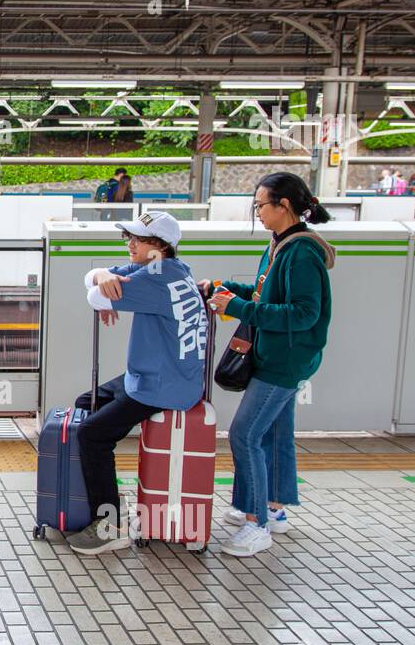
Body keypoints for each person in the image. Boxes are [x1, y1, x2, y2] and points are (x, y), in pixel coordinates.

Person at [202, 172, 335, 558]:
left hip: (283, 362)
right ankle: (273, 510)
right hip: (277, 355)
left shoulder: (302, 253)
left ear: (285, 206)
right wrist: (226, 290)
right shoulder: (280, 244)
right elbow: (264, 292)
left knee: (244, 435)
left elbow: (304, 313)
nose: (257, 211)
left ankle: (256, 524)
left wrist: (240, 308)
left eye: (261, 205)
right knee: (275, 435)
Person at [74, 212, 208, 555]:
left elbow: (94, 297)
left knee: (91, 433)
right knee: (86, 402)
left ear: (160, 246)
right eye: (128, 237)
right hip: (167, 376)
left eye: (138, 239)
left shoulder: (155, 280)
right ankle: (106, 498)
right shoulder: (173, 269)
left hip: (163, 385)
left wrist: (102, 282)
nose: (130, 244)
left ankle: (110, 526)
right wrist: (103, 274)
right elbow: (96, 276)